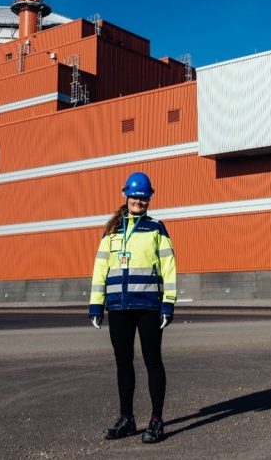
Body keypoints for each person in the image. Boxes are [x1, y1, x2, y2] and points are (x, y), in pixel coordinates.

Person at [89, 171, 177, 443]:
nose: (139, 201)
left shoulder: (156, 228)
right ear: (125, 195)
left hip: (148, 306)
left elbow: (169, 267)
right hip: (118, 307)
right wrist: (96, 305)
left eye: (144, 197)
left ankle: (156, 420)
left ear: (149, 199)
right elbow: (100, 267)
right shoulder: (112, 231)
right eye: (135, 196)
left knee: (153, 362)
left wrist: (168, 304)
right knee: (123, 364)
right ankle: (126, 418)